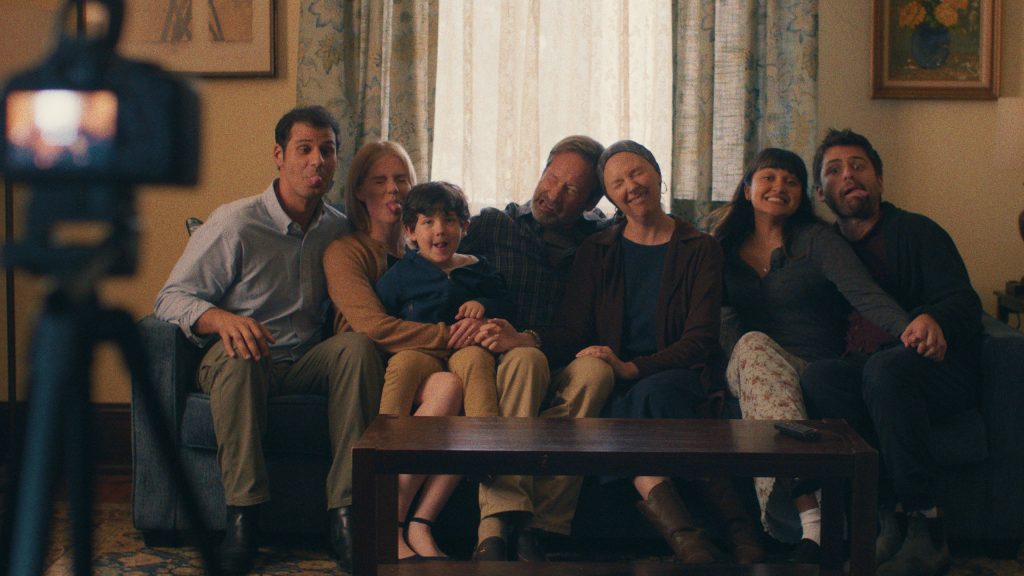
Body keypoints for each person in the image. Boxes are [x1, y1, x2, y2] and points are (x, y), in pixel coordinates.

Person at [480, 140, 764, 564]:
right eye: (618, 182)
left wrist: (632, 367)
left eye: (637, 173)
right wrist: (527, 339)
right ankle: (706, 537)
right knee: (610, 403)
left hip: (677, 371)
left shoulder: (700, 247)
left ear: (657, 174)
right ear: (610, 198)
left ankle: (714, 532)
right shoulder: (598, 250)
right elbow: (573, 331)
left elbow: (700, 339)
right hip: (615, 375)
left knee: (647, 398)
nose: (630, 186)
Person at [154, 105, 381, 574]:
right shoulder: (235, 222)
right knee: (243, 355)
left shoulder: (338, 229)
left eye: (327, 151)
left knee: (358, 348)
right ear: (279, 156)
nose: (317, 161)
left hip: (306, 359)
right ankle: (243, 518)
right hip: (239, 357)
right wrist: (221, 319)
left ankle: (345, 513)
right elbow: (170, 298)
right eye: (304, 149)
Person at [708, 147, 911, 562]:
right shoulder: (721, 248)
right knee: (752, 345)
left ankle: (811, 527)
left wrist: (910, 331)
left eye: (791, 181)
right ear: (747, 188)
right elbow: (719, 323)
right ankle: (815, 523)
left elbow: (864, 294)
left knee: (756, 352)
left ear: (803, 194)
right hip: (747, 367)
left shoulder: (817, 241)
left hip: (810, 367)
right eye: (768, 177)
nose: (779, 187)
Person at [802, 129, 984, 576]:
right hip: (866, 370)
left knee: (885, 371)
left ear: (879, 180)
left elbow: (964, 301)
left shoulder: (917, 231)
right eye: (834, 170)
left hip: (933, 371)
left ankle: (927, 524)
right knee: (820, 377)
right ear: (820, 193)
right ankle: (886, 519)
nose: (849, 175)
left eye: (859, 166)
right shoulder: (824, 248)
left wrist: (933, 318)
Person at [322, 140, 491, 560]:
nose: (392, 189)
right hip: (372, 364)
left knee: (455, 387)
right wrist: (452, 336)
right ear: (359, 190)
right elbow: (374, 327)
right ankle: (390, 522)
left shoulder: (432, 253)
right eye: (380, 180)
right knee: (447, 383)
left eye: (401, 179)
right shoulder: (346, 250)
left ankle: (414, 523)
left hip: (431, 366)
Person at [458, 135, 617, 561]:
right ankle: (497, 521)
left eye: (571, 188)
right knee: (526, 359)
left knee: (597, 372)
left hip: (564, 361)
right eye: (552, 176)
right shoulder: (495, 224)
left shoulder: (602, 240)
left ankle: (540, 526)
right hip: (504, 365)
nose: (553, 193)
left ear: (591, 201)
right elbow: (436, 260)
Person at [374, 180, 509, 559]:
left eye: (449, 220)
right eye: (428, 222)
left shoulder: (477, 269)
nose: (440, 231)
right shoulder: (402, 273)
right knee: (404, 362)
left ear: (464, 226)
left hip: (464, 350)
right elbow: (382, 321)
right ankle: (383, 448)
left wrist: (483, 305)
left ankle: (484, 446)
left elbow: (504, 300)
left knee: (477, 361)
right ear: (410, 232)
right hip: (419, 351)